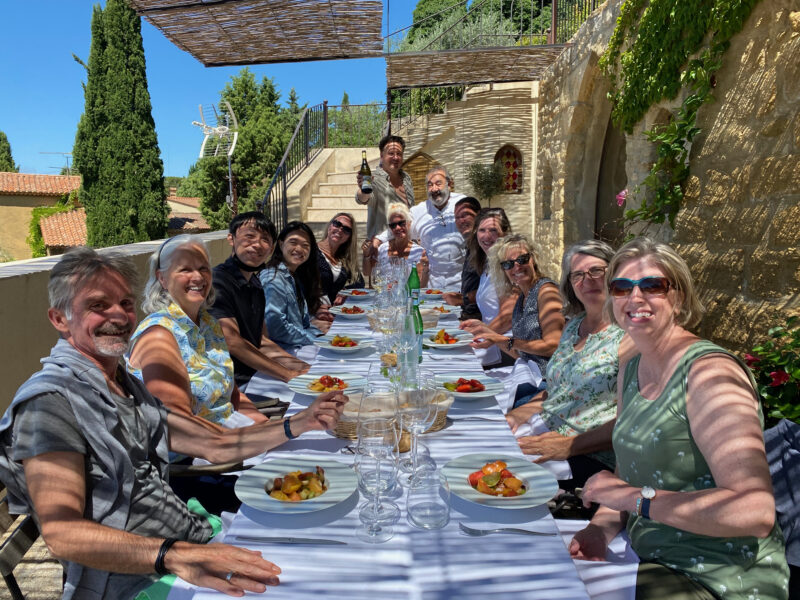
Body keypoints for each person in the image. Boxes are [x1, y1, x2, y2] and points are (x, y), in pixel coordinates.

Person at [0, 247, 347, 599]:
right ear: (59, 319)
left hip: (189, 536)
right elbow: (63, 534)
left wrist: (299, 423)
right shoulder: (50, 404)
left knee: (329, 543)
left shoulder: (123, 384)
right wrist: (175, 555)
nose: (118, 316)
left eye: (125, 303)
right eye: (98, 305)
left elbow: (213, 444)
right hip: (139, 578)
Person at [571, 238, 789, 600]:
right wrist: (602, 526)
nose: (635, 298)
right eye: (621, 287)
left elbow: (754, 510)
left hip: (718, 575)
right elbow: (632, 470)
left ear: (680, 297)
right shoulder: (633, 364)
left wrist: (634, 500)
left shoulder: (709, 374)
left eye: (652, 286)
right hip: (648, 558)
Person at [505, 240, 633, 487]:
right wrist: (518, 414)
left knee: (500, 481)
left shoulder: (628, 335)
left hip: (586, 455)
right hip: (544, 430)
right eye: (577, 275)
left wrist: (567, 446)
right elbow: (556, 390)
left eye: (596, 271)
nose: (587, 280)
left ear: (615, 275)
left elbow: (630, 421)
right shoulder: (574, 325)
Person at [127, 235, 267, 429]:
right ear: (162, 278)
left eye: (203, 268)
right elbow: (180, 426)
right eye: (185, 269)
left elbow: (232, 395)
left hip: (232, 434)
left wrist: (264, 426)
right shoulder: (158, 336)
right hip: (197, 452)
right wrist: (260, 438)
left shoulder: (209, 325)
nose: (198, 277)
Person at [209, 211, 310, 389]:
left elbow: (261, 341)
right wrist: (287, 374)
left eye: (265, 239)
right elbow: (231, 341)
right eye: (249, 236)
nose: (257, 244)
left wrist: (302, 367)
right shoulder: (217, 281)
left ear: (271, 249)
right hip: (232, 385)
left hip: (257, 376)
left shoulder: (256, 284)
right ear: (231, 239)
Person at [467, 234, 565, 400]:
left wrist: (505, 340)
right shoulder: (522, 296)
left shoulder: (546, 291)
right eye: (508, 264)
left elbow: (553, 346)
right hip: (527, 375)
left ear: (534, 259)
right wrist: (492, 337)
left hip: (547, 384)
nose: (516, 267)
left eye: (522, 259)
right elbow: (523, 354)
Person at [259, 221, 330, 350]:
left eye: (305, 245)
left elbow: (297, 324)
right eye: (293, 243)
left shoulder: (293, 275)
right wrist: (315, 338)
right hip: (284, 353)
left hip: (298, 347)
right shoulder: (273, 278)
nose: (299, 249)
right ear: (281, 244)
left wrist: (315, 328)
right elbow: (275, 327)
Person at [459, 207, 516, 366]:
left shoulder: (509, 266)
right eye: (482, 230)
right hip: (490, 344)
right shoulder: (488, 264)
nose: (487, 236)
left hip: (504, 351)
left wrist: (480, 337)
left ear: (505, 233)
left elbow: (507, 318)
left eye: (493, 230)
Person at [355, 135, 413, 261]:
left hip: (406, 246)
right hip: (382, 249)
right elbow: (363, 198)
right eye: (391, 153)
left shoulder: (407, 178)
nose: (396, 157)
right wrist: (363, 188)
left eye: (399, 153)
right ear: (381, 156)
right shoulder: (373, 178)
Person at [362, 202, 430, 287]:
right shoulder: (383, 249)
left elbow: (420, 286)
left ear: (409, 224)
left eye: (401, 223)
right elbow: (367, 272)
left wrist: (426, 268)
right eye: (393, 225)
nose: (397, 228)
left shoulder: (418, 252)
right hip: (385, 297)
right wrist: (366, 255)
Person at [443, 196, 481, 319]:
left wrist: (463, 298)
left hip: (480, 319)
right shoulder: (471, 245)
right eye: (457, 218)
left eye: (465, 215)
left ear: (478, 216)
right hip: (467, 314)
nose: (461, 221)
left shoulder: (484, 247)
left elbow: (494, 290)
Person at [316, 212, 362, 305]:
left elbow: (359, 283)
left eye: (346, 229)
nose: (340, 230)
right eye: (337, 224)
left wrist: (345, 292)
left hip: (334, 313)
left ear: (349, 237)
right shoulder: (312, 252)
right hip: (313, 314)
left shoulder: (343, 260)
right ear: (330, 226)